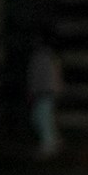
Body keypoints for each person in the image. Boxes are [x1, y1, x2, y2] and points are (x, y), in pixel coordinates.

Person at [25, 28, 63, 159]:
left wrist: (35, 90)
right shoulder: (46, 56)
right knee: (41, 117)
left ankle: (49, 145)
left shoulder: (43, 56)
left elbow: (39, 76)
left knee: (43, 118)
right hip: (44, 91)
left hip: (44, 91)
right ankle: (53, 141)